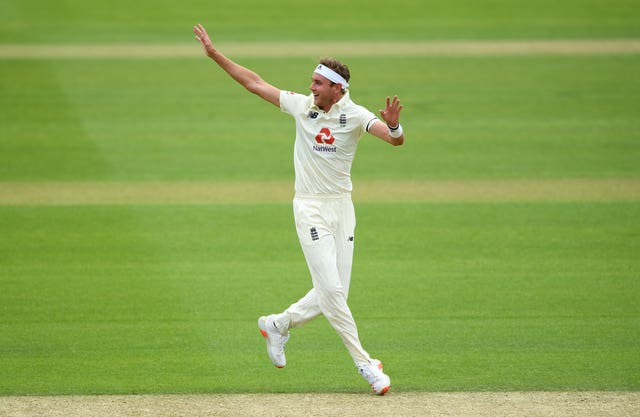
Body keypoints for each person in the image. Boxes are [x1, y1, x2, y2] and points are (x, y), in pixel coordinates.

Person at [193, 24, 404, 395]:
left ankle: (277, 324)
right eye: (312, 82)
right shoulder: (302, 106)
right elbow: (255, 83)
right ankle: (365, 364)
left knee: (333, 293)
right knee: (333, 294)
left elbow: (393, 140)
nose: (311, 88)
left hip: (343, 209)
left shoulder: (354, 114)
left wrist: (395, 125)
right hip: (309, 209)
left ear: (337, 88)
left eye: (318, 84)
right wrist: (214, 55)